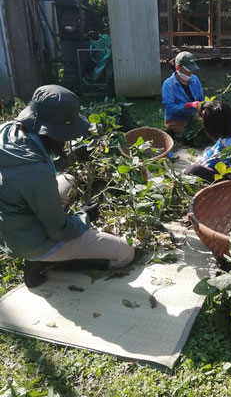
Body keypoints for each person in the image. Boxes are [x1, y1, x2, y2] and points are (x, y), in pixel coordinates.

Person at [0, 85, 135, 288]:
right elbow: (59, 230)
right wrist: (85, 217)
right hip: (34, 243)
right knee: (125, 253)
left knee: (69, 179)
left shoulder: (8, 130)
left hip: (11, 228)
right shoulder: (37, 173)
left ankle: (44, 257)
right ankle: (43, 262)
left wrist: (71, 158)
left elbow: (29, 170)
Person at [184, 101, 231, 183]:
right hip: (230, 167)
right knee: (208, 149)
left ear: (213, 128)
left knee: (194, 169)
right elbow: (212, 152)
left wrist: (189, 170)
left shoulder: (227, 144)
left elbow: (209, 162)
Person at [161, 51, 204, 139]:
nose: (190, 73)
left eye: (192, 69)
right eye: (188, 70)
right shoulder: (168, 84)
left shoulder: (195, 79)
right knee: (192, 135)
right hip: (176, 120)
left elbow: (201, 99)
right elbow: (170, 108)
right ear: (178, 68)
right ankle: (174, 133)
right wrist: (188, 105)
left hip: (194, 117)